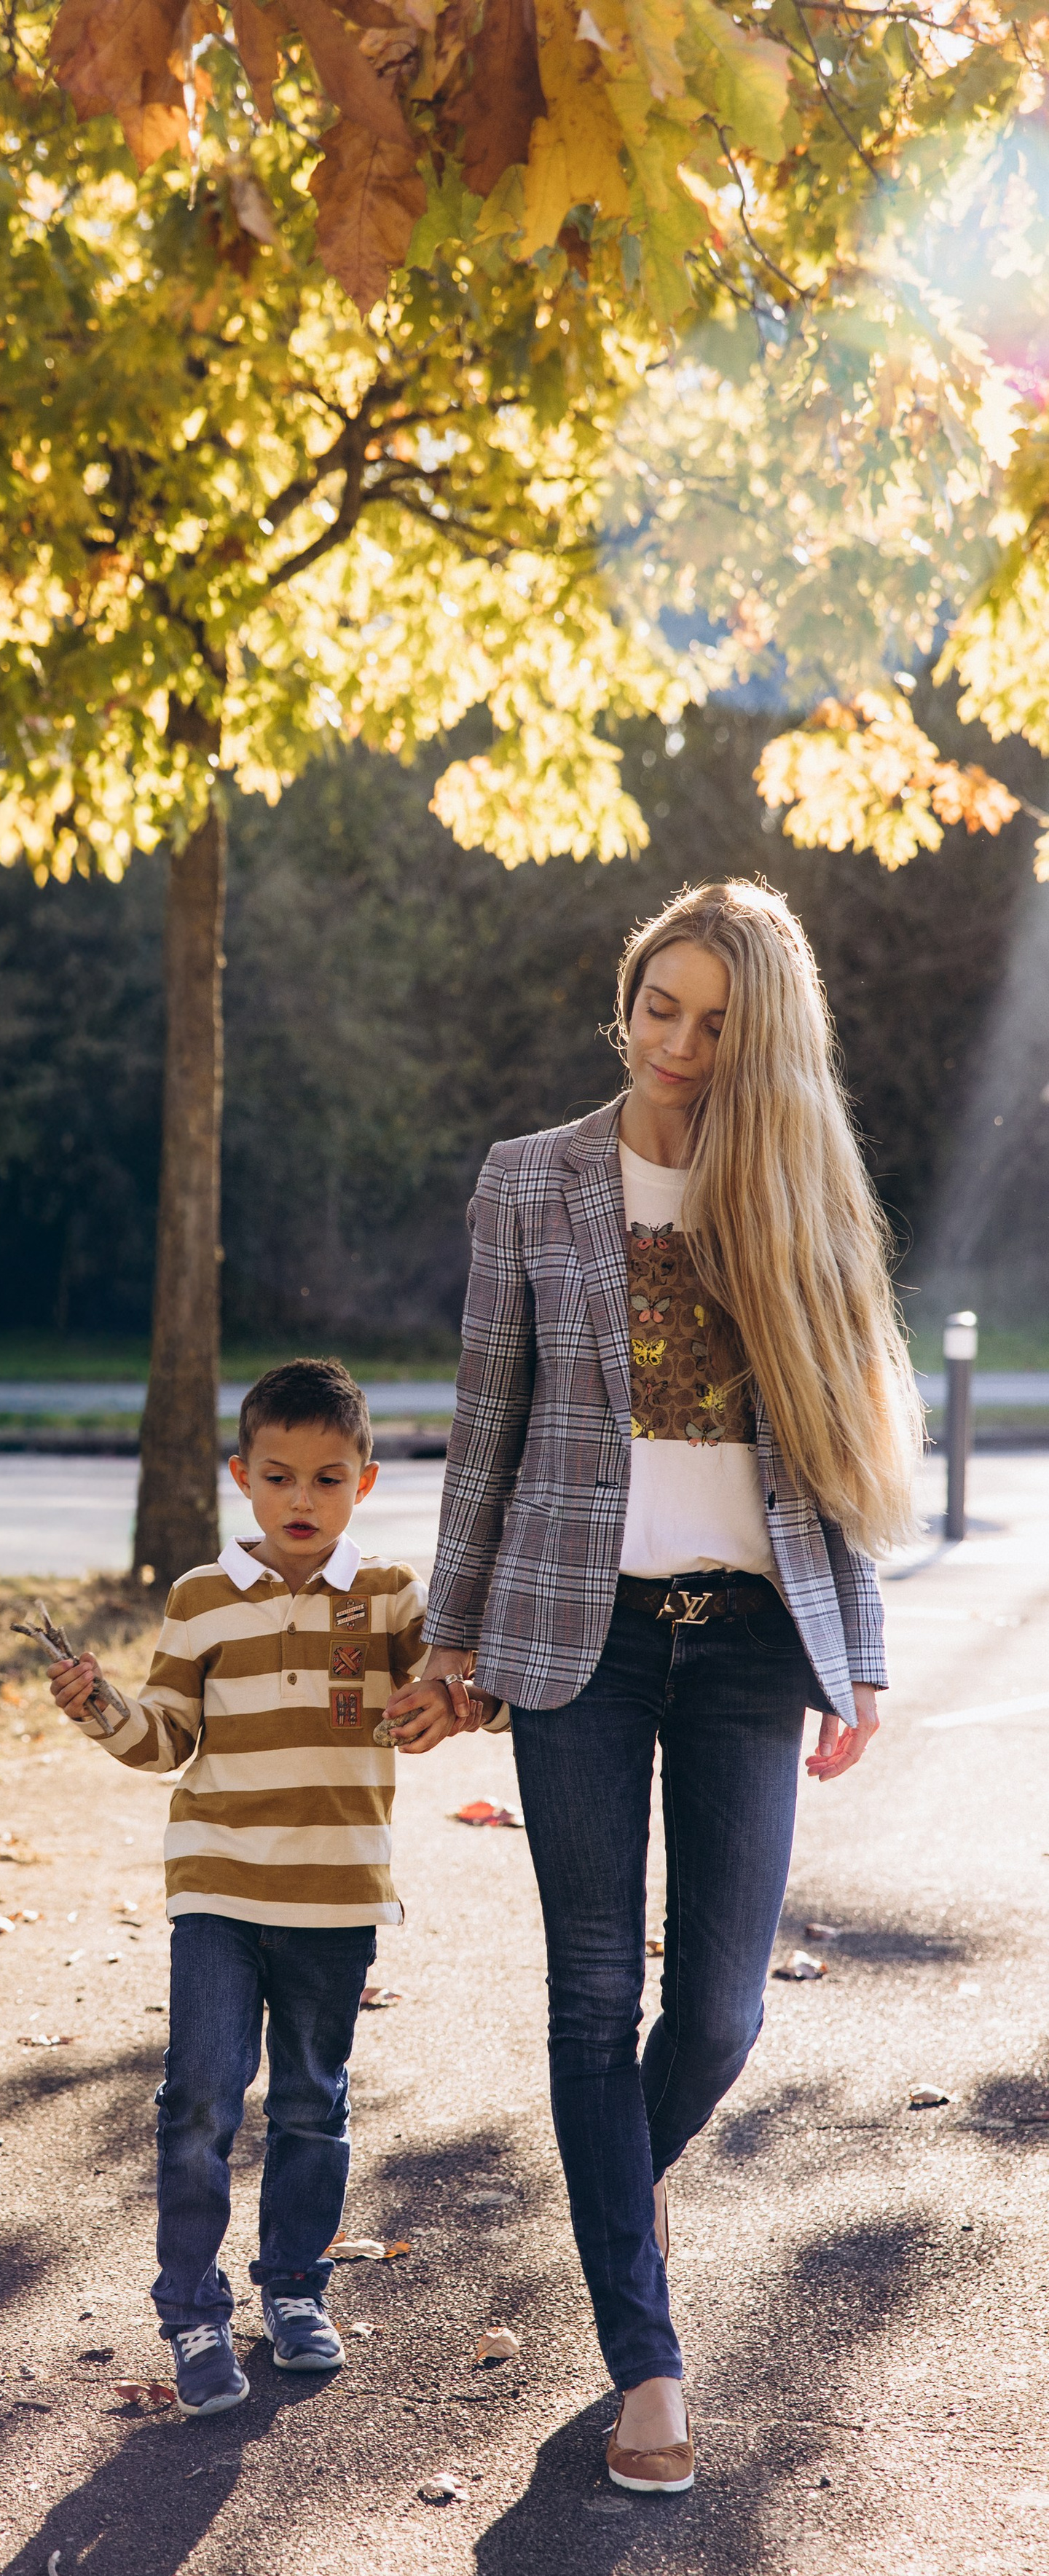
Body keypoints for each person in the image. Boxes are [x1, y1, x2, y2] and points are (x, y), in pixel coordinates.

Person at [387, 881, 922, 2493]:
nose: (677, 1045)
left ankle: (619, 2176)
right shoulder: (528, 1183)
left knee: (719, 2007)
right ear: (621, 999)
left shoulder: (795, 1178)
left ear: (758, 1034)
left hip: (754, 1630)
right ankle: (646, 2364)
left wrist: (862, 1650)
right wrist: (449, 1636)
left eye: (712, 1020)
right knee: (585, 1992)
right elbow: (487, 1428)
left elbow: (835, 1435)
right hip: (581, 1634)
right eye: (657, 1006)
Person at [47, 1357, 430, 2416]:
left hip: (338, 1896)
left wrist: (469, 1689)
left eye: (327, 1479)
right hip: (218, 1885)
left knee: (313, 2101)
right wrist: (99, 1706)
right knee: (202, 2096)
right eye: (278, 1477)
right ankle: (192, 2310)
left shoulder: (393, 1597)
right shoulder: (202, 1599)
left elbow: (443, 1705)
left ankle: (295, 2291)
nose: (302, 1500)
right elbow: (165, 1740)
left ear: (366, 1483)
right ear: (241, 1478)